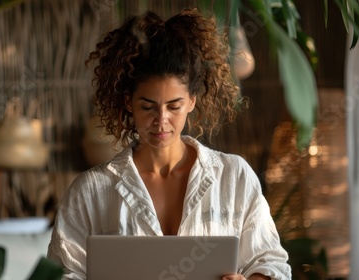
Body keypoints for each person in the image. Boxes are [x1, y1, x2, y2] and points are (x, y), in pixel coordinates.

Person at [47, 8, 291, 280]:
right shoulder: (90, 192)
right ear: (128, 102)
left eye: (174, 106)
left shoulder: (234, 177)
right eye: (148, 106)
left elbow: (271, 264)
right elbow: (62, 274)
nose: (161, 120)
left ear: (191, 101)